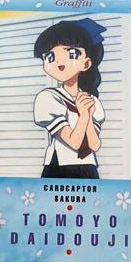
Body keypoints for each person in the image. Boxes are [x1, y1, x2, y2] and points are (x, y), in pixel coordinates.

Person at [32, 18, 106, 179]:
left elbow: (94, 145)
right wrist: (84, 115)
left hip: (88, 167)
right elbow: (74, 143)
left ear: (86, 63)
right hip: (59, 167)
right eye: (50, 56)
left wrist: (87, 115)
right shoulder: (48, 98)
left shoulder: (92, 101)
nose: (60, 62)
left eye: (71, 53)